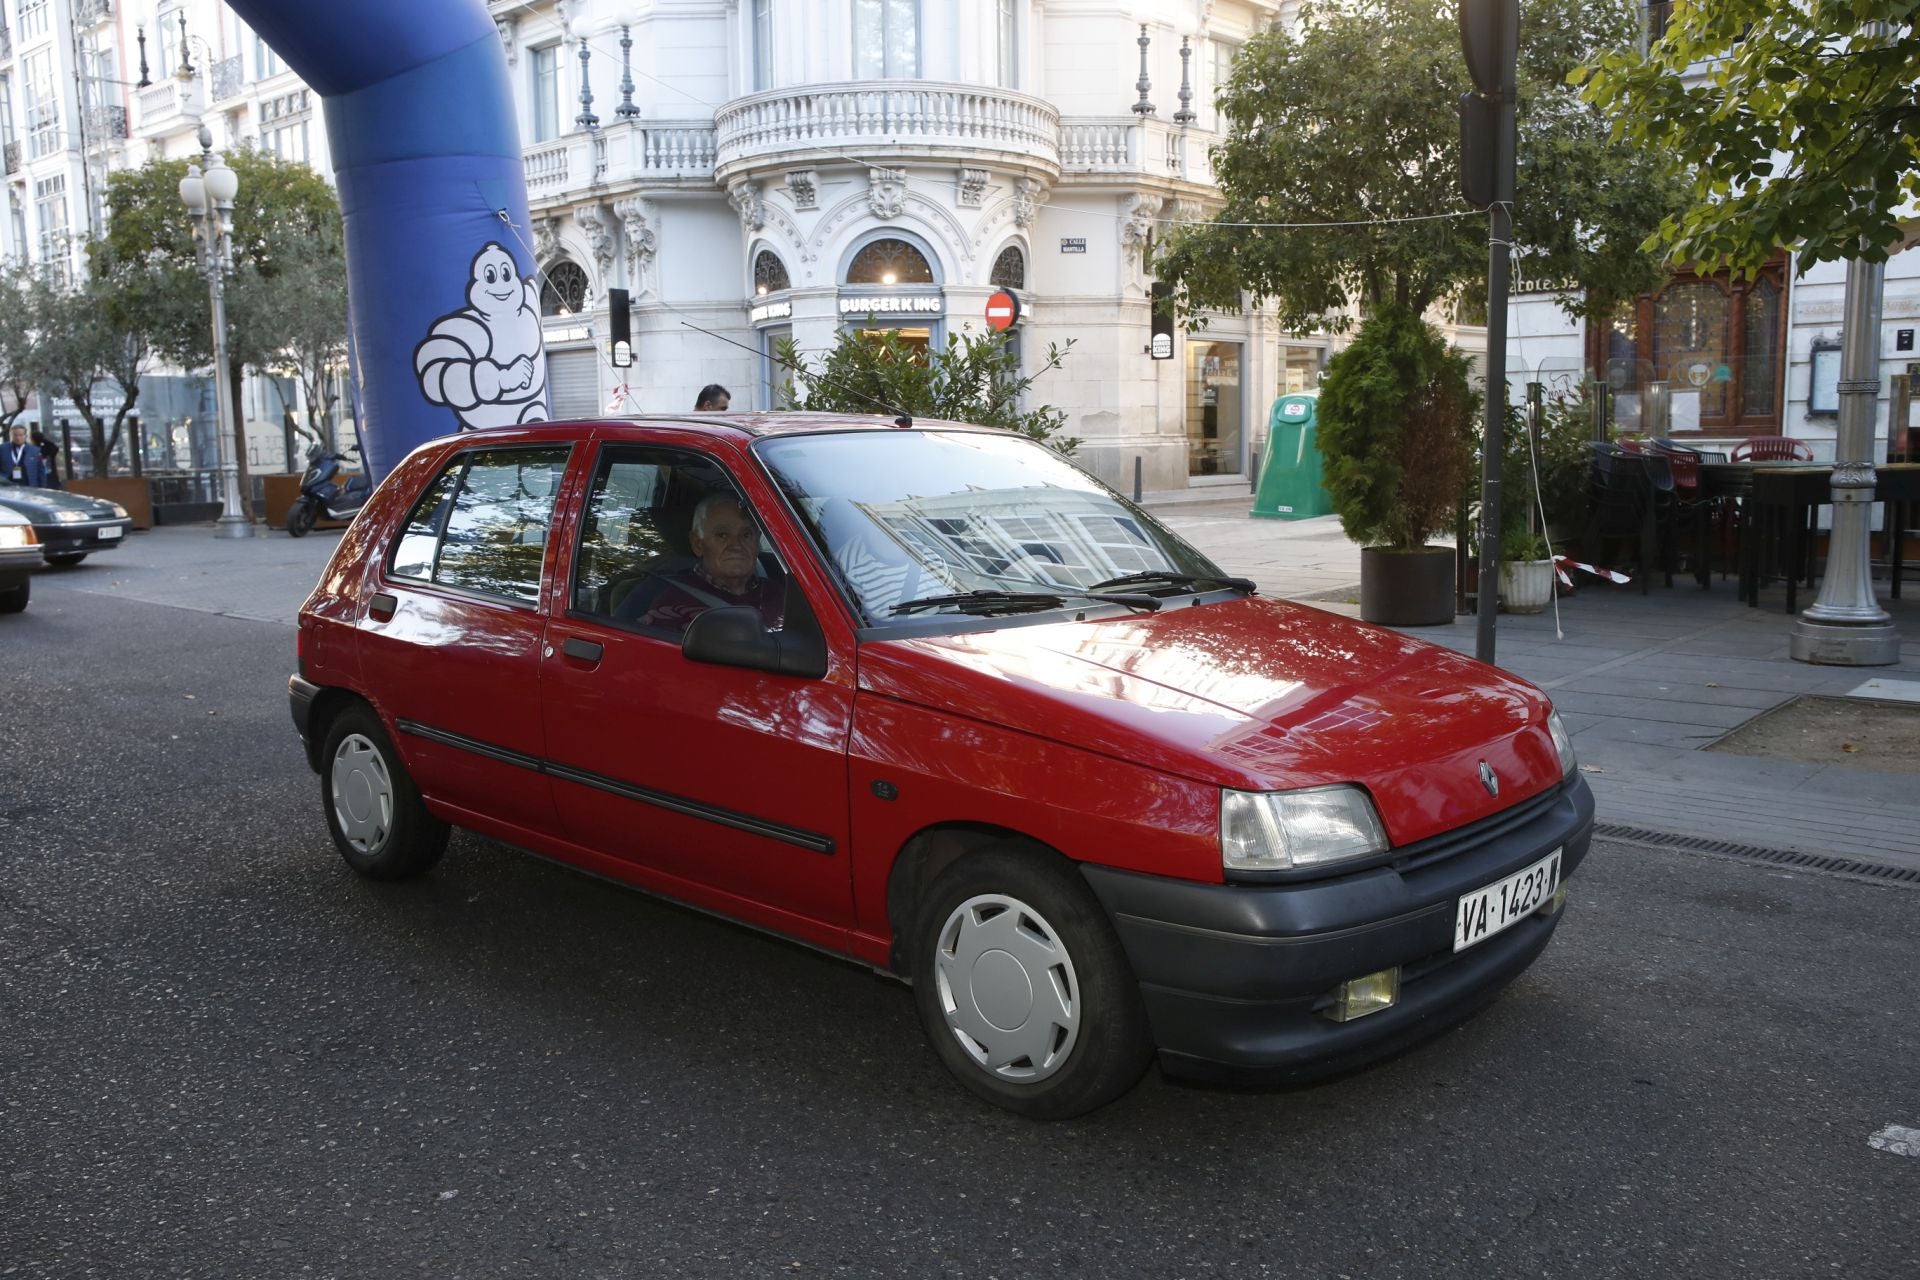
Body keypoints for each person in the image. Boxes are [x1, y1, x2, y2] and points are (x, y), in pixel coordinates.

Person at [617, 492, 783, 632]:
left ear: (757, 541)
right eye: (722, 535)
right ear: (698, 544)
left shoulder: (779, 594)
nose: (736, 546)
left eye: (746, 534)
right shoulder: (672, 603)